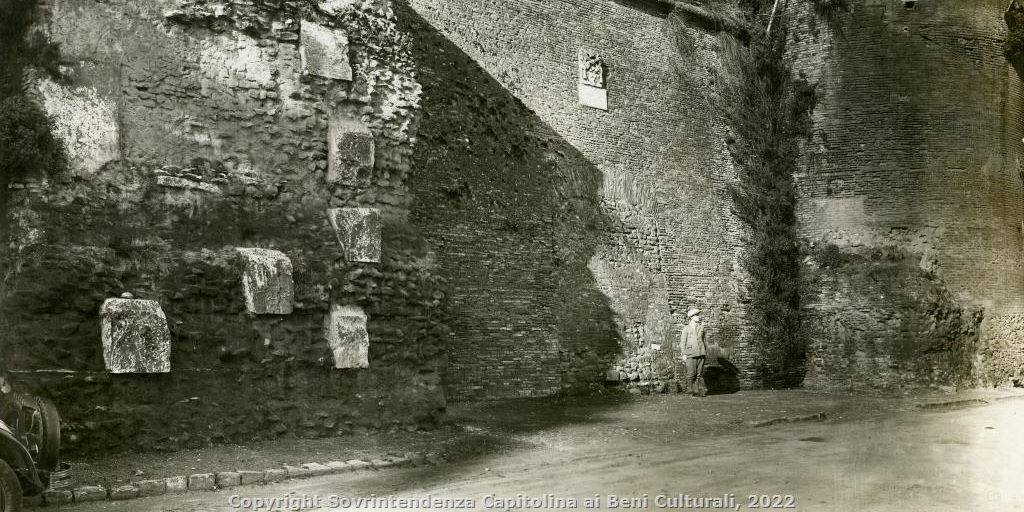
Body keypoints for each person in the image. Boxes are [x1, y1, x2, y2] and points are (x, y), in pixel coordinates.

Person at [679, 308, 708, 396]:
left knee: (699, 374)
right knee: (691, 373)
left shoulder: (701, 328)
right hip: (690, 353)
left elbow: (704, 341)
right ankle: (690, 390)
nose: (699, 317)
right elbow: (683, 342)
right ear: (692, 317)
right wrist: (684, 354)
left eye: (698, 315)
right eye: (697, 315)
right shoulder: (686, 329)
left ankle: (697, 390)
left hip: (701, 353)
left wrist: (704, 351)